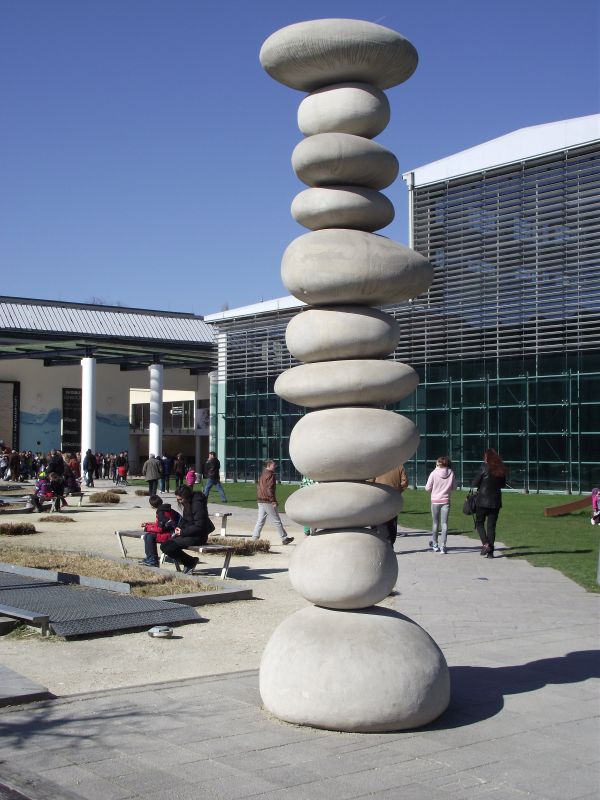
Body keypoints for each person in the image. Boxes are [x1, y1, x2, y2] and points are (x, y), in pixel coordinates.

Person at [160, 485, 213, 573]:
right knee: (164, 546)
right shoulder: (187, 502)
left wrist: (182, 532)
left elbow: (199, 526)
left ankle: (190, 562)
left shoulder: (197, 504)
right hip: (188, 533)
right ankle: (190, 561)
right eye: (178, 500)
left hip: (198, 536)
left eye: (181, 499)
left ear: (187, 496)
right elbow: (185, 519)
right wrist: (179, 527)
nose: (179, 502)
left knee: (170, 547)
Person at [472, 448, 507, 558]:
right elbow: (503, 485)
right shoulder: (500, 468)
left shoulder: (484, 467)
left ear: (487, 457)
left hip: (482, 500)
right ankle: (490, 553)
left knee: (479, 523)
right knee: (491, 527)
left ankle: (486, 544)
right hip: (495, 501)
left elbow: (475, 482)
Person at [251, 459, 294, 545]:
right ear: (269, 465)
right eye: (274, 465)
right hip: (267, 501)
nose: (275, 466)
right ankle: (284, 538)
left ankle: (254, 538)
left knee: (260, 521)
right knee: (276, 520)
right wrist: (273, 501)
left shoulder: (263, 474)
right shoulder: (270, 475)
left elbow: (259, 487)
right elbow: (269, 489)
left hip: (261, 500)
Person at [425, 456, 457, 553]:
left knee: (435, 523)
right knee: (444, 524)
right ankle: (443, 546)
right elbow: (454, 487)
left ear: (439, 463)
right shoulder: (451, 473)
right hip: (445, 501)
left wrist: (434, 490)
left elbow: (427, 488)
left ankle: (435, 544)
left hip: (435, 501)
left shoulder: (434, 473)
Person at [140, 494, 181, 567]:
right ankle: (150, 558)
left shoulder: (161, 512)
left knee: (149, 536)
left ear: (152, 506)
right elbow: (160, 524)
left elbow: (160, 528)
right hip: (172, 531)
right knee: (148, 536)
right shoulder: (166, 509)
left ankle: (152, 560)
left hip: (171, 534)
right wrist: (148, 524)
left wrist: (147, 528)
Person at [373, 464, 408, 545]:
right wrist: (398, 491)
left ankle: (386, 544)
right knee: (392, 522)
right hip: (394, 497)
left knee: (381, 522)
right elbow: (405, 482)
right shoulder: (399, 466)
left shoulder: (377, 466)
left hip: (380, 497)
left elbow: (370, 481)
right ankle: (390, 542)